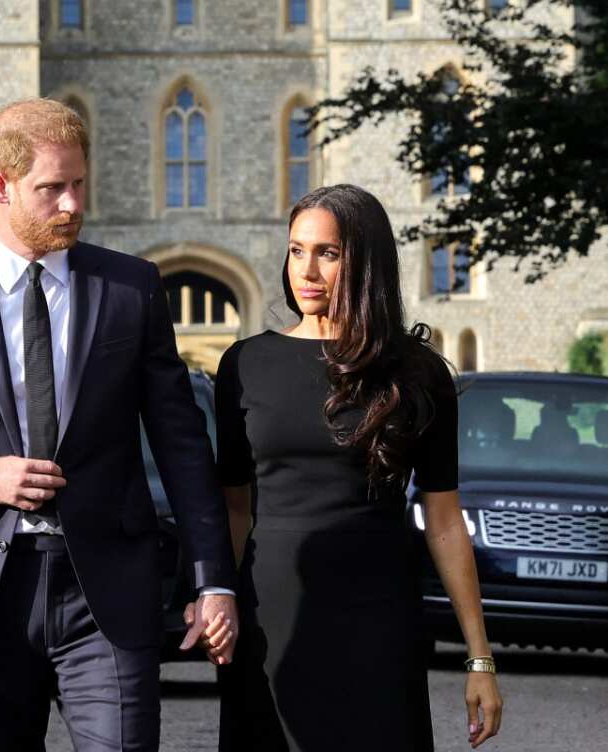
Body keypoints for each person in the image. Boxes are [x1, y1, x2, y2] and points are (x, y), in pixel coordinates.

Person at [0, 98, 239, 752]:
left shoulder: (131, 288)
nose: (72, 204)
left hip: (107, 594)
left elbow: (182, 444)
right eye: (51, 189)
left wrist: (212, 579)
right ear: (0, 187)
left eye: (78, 184)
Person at [213, 184, 503, 751]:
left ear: (366, 261)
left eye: (328, 253)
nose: (307, 270)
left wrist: (480, 658)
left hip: (378, 614)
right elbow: (234, 508)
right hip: (271, 615)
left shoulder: (417, 373)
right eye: (297, 250)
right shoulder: (245, 364)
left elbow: (444, 520)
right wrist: (217, 599)